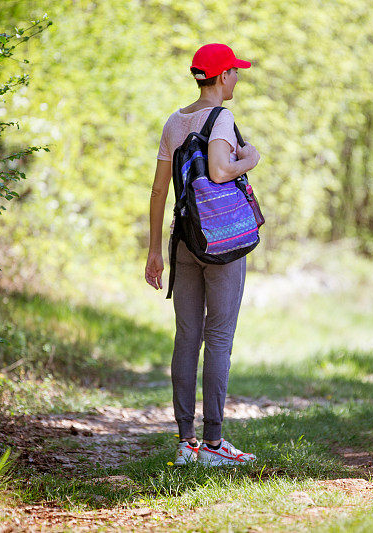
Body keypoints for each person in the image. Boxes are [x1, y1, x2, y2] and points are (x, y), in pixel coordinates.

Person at [144, 43, 261, 467]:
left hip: (184, 241)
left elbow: (159, 191)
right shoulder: (222, 118)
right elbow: (218, 170)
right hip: (222, 241)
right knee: (219, 337)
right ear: (223, 75)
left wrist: (154, 250)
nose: (238, 78)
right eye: (235, 72)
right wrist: (251, 157)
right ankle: (213, 445)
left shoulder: (175, 122)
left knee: (187, 336)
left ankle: (186, 444)